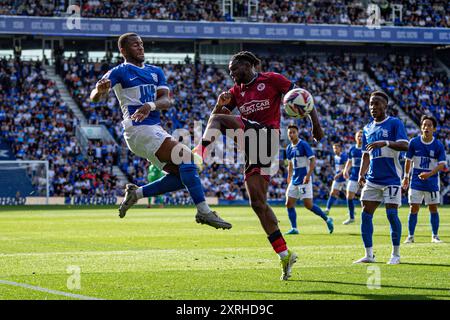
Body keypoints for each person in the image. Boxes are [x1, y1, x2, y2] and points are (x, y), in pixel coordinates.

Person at [194, 51, 324, 280]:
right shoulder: (235, 92)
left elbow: (302, 95)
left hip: (267, 137)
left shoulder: (271, 80)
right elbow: (216, 119)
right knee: (258, 203)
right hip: (254, 150)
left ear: (249, 65)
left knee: (218, 122)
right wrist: (219, 104)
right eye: (230, 72)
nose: (232, 74)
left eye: (235, 69)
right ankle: (285, 254)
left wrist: (316, 124)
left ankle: (197, 156)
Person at [90, 33, 231, 230]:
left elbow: (167, 100)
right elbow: (95, 97)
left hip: (152, 129)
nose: (140, 47)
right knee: (189, 160)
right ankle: (204, 211)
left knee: (187, 174)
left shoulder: (155, 71)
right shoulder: (119, 72)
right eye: (135, 45)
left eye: (141, 44)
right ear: (123, 50)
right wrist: (99, 90)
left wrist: (150, 105)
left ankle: (136, 194)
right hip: (138, 129)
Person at [354, 91, 409, 265]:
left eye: (377, 103)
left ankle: (396, 254)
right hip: (372, 179)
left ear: (385, 105)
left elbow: (405, 145)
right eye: (371, 104)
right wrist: (361, 174)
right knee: (365, 214)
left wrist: (385, 143)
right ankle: (369, 254)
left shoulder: (394, 123)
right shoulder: (367, 128)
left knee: (392, 214)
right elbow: (366, 155)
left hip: (391, 178)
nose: (373, 107)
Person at [402, 115, 446, 244]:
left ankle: (435, 236)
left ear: (434, 129)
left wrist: (429, 174)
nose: (426, 127)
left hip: (431, 182)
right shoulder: (414, 142)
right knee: (413, 208)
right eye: (424, 125)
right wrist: (406, 177)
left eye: (429, 125)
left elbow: (442, 164)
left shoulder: (438, 145)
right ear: (421, 127)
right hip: (416, 181)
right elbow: (408, 161)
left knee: (433, 208)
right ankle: (410, 236)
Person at [284, 125, 334, 235]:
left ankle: (327, 219)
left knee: (308, 205)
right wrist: (289, 176)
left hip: (304, 180)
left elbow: (312, 160)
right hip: (294, 180)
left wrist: (308, 175)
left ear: (297, 133)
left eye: (293, 132)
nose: (291, 135)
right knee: (289, 203)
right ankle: (294, 228)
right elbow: (290, 164)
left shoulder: (303, 145)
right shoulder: (288, 148)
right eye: (290, 133)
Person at [342, 130, 363, 224]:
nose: (360, 138)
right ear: (355, 137)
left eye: (362, 136)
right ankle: (351, 217)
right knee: (349, 196)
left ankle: (366, 218)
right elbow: (349, 161)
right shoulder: (352, 149)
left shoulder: (366, 148)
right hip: (354, 176)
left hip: (365, 177)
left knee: (366, 199)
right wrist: (345, 170)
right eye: (358, 136)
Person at [324, 142, 348, 215]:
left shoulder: (344, 156)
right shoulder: (335, 157)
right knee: (332, 193)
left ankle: (350, 210)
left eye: (336, 148)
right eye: (334, 148)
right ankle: (327, 209)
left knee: (349, 194)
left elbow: (346, 168)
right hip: (338, 178)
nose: (335, 150)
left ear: (340, 149)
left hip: (345, 177)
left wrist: (339, 174)